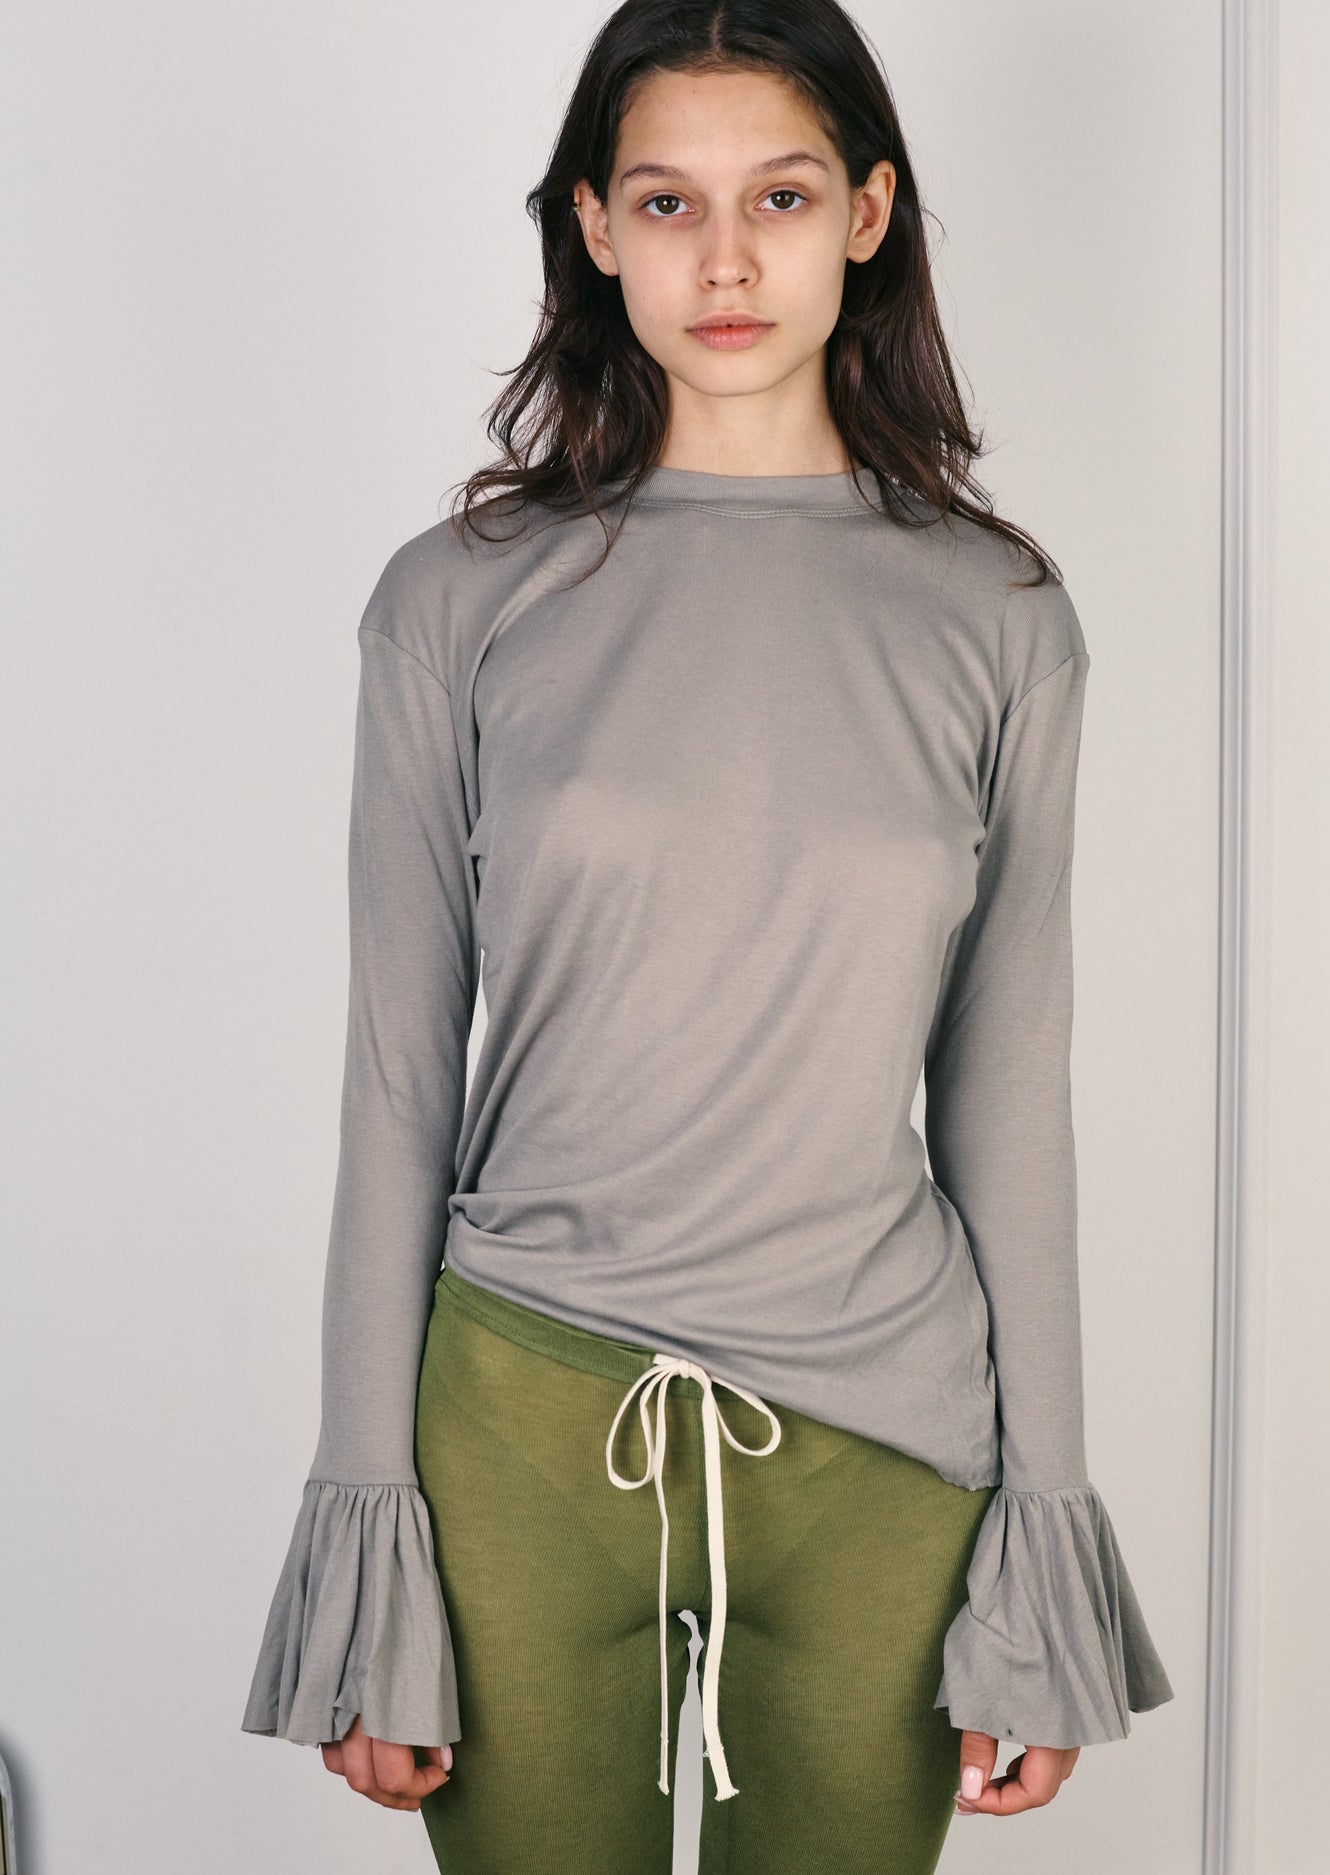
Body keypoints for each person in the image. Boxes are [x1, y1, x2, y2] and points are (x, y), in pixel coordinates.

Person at [240, 2, 1174, 1870]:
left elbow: (1008, 1095)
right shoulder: (456, 601)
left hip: (884, 1449)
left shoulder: (999, 614)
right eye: (668, 200)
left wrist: (1042, 1531)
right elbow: (398, 1080)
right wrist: (368, 1516)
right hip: (521, 1422)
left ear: (869, 213)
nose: (725, 259)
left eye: (783, 196)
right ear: (595, 226)